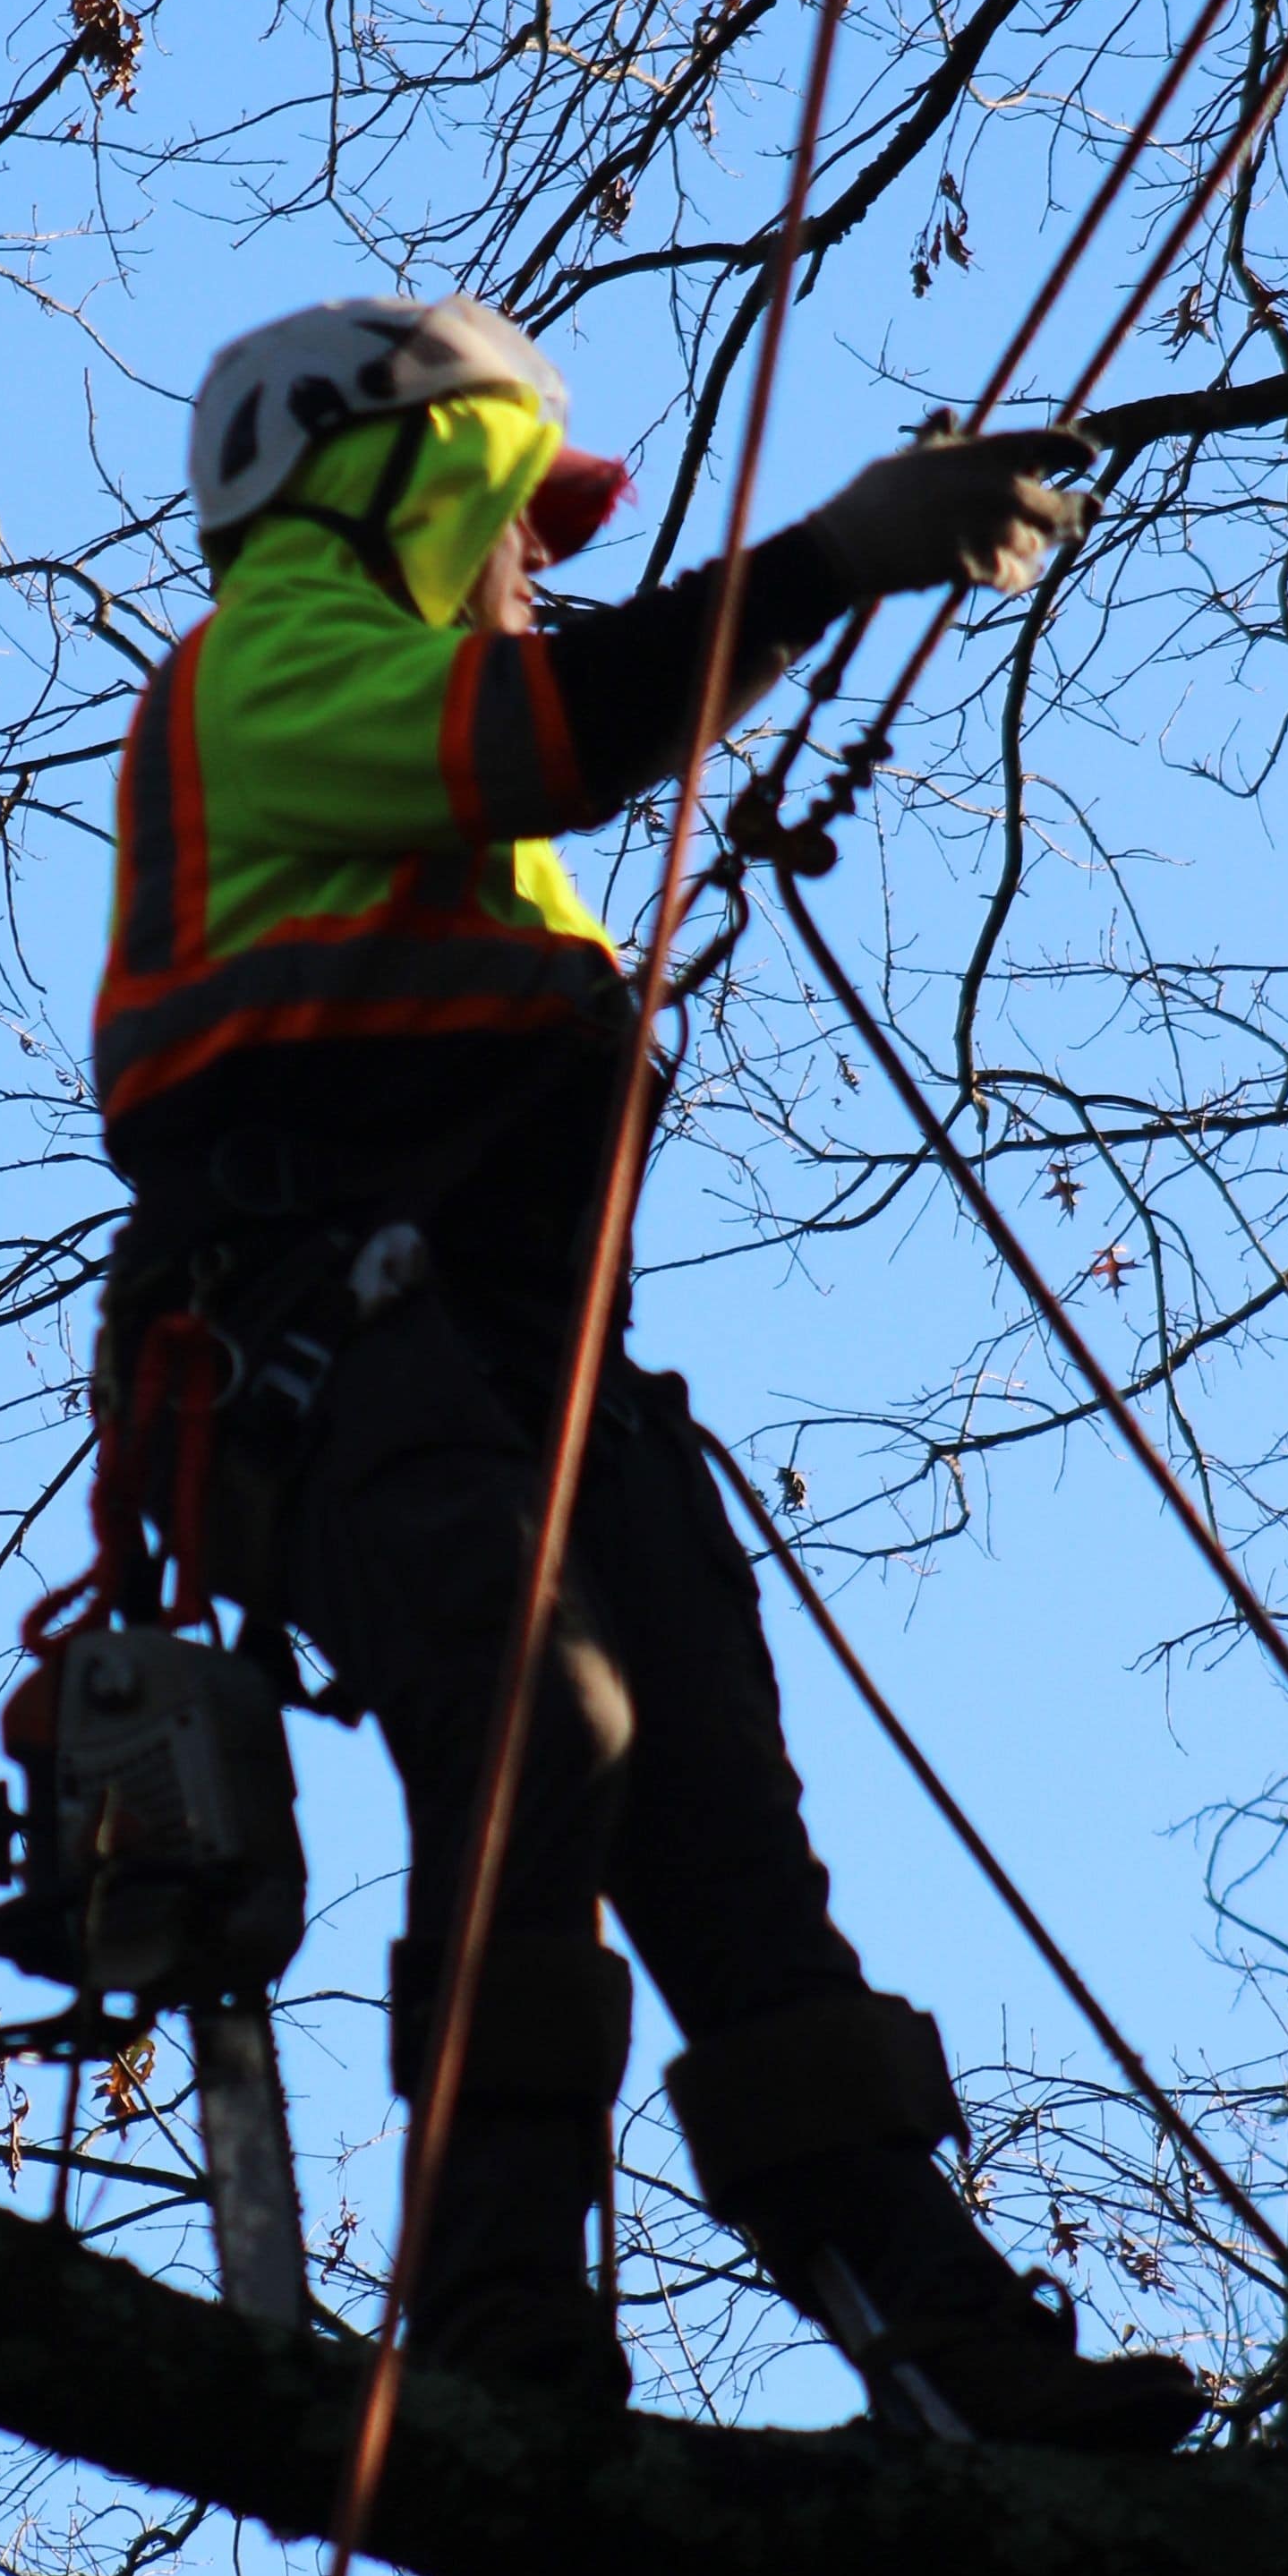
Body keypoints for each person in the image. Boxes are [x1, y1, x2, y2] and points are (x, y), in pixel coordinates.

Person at [94, 291, 1204, 2452]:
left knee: (708, 1800)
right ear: (400, 480)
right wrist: (834, 556)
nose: (541, 568)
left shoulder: (440, 793)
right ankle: (494, 2306)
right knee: (542, 1712)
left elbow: (551, 753)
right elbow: (566, 726)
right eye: (519, 518)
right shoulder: (270, 668)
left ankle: (933, 2325)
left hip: (506, 1350)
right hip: (310, 1335)